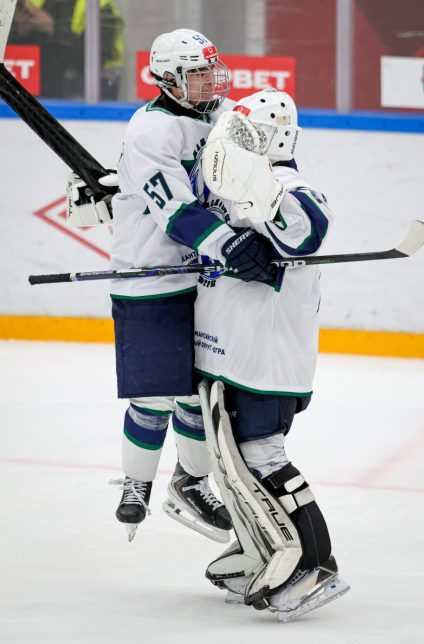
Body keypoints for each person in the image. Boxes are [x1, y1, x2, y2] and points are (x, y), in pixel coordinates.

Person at [106, 30, 279, 543]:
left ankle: (191, 483)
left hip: (205, 276)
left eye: (210, 69)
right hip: (151, 276)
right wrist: (229, 244)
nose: (209, 79)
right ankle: (136, 483)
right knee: (155, 395)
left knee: (199, 396)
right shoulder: (150, 130)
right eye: (196, 73)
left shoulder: (220, 114)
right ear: (166, 79)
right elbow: (176, 211)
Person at [194, 88, 350, 620]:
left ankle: (315, 564)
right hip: (230, 351)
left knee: (263, 457)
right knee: (232, 464)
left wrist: (257, 188)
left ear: (275, 139)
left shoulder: (291, 188)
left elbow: (306, 232)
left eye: (248, 134)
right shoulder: (229, 188)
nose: (236, 142)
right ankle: (263, 549)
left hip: (266, 358)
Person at [10, 0, 124, 99]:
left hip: (85, 95)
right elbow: (14, 52)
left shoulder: (99, 6)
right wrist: (20, 29)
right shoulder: (33, 3)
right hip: (37, 91)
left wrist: (52, 27)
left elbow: (89, 60)